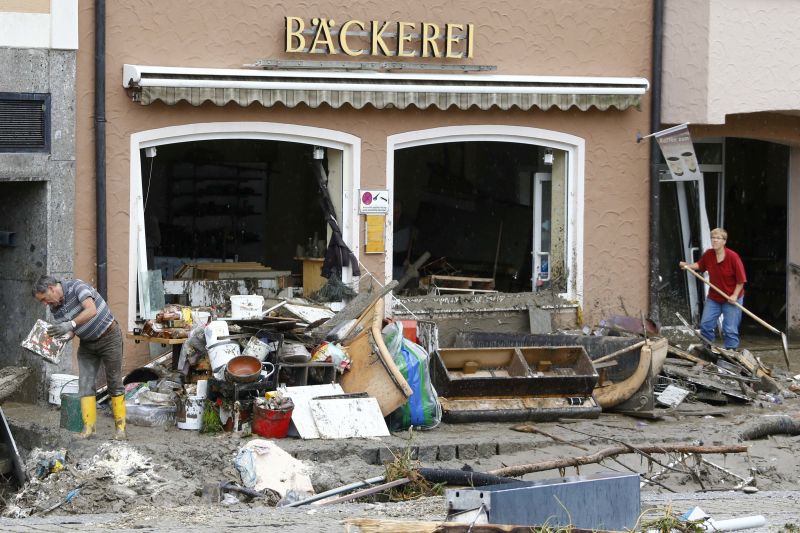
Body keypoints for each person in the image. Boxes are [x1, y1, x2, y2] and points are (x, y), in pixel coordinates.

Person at [32, 275, 126, 439]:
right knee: (85, 384)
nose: (45, 304)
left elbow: (91, 310)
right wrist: (57, 343)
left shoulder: (76, 287)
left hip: (109, 337)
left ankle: (121, 429)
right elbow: (72, 330)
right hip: (87, 344)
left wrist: (70, 325)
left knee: (114, 382)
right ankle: (89, 429)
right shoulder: (55, 309)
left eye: (45, 299)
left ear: (52, 288)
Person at [679, 228, 747, 349]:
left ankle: (731, 354)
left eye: (718, 238)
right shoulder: (709, 254)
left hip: (731, 298)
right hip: (714, 298)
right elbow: (700, 265)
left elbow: (741, 280)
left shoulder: (733, 257)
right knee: (706, 325)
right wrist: (688, 266)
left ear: (724, 241)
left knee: (729, 329)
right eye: (713, 238)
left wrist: (735, 295)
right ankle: (708, 348)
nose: (714, 240)